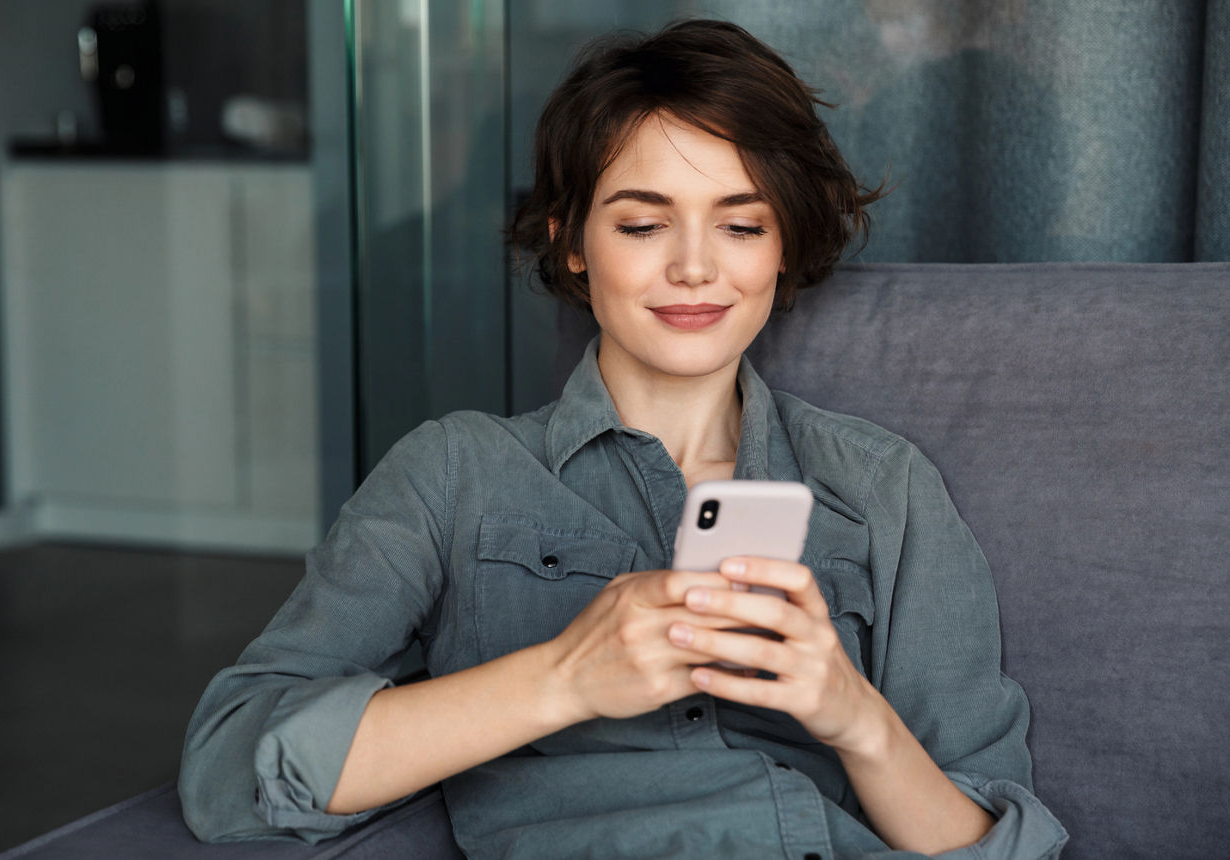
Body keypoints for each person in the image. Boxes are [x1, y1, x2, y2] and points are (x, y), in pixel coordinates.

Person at [179, 19, 1066, 859]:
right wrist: (563, 677)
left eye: (742, 223)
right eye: (642, 223)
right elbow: (229, 766)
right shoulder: (455, 474)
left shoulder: (883, 488)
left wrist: (850, 714)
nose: (693, 265)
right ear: (569, 240)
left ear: (785, 245)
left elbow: (996, 836)